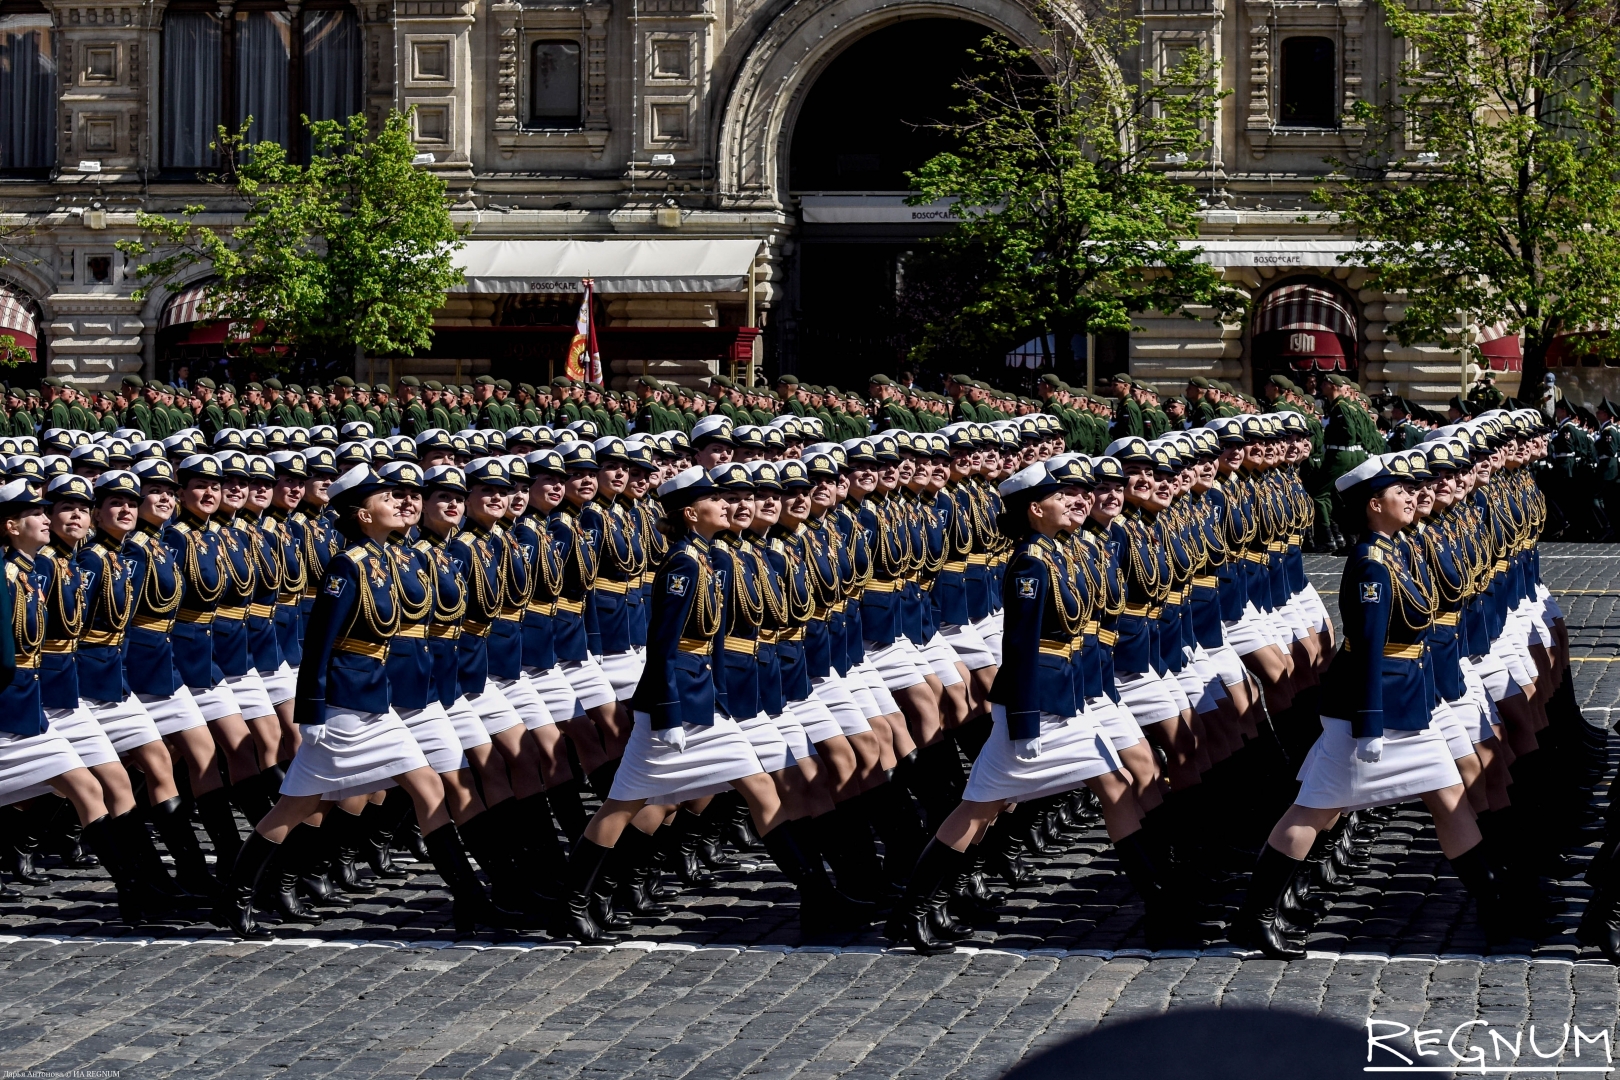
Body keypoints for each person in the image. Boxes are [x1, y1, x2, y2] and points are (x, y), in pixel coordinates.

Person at [1231, 452, 1502, 959]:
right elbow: (1370, 646)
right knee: (1315, 809)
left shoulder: (1396, 551)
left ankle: (1494, 904)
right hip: (1371, 713)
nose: (1410, 495)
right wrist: (1371, 724)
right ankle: (1255, 917)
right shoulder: (1370, 564)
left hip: (1407, 704)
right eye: (1398, 491)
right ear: (1374, 504)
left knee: (1450, 800)